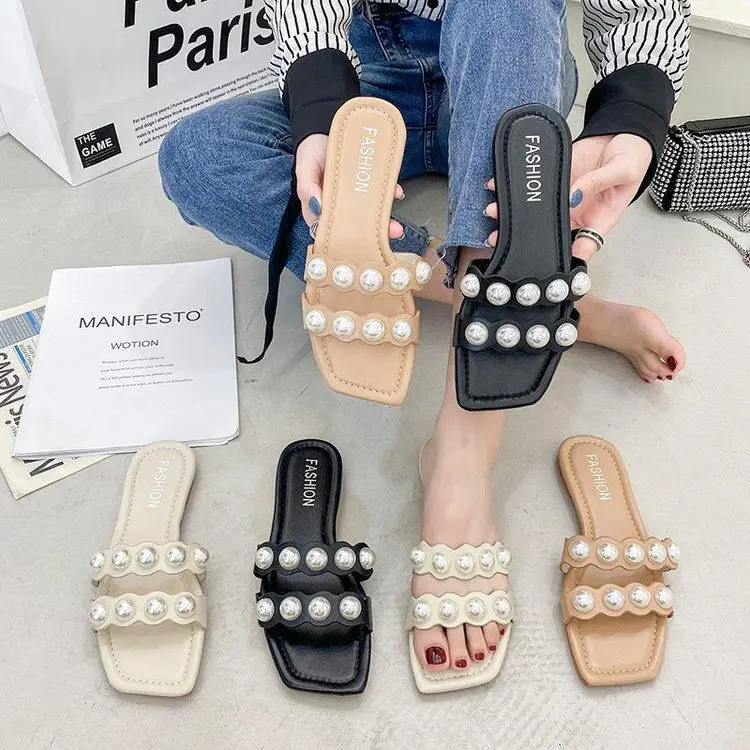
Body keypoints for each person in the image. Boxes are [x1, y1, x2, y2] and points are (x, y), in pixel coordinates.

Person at [159, 0, 689, 675]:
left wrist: (633, 117)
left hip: (509, 69)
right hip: (376, 86)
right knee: (199, 155)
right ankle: (549, 302)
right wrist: (322, 117)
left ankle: (464, 451)